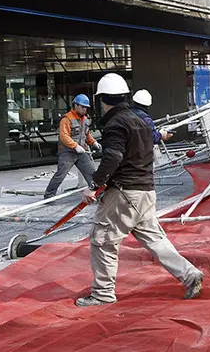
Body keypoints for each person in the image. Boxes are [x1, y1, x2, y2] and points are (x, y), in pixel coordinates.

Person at [76, 73, 203, 307]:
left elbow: (113, 157)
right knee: (156, 240)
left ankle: (102, 294)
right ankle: (189, 274)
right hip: (146, 192)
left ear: (102, 99)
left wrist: (94, 184)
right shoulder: (140, 122)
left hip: (125, 193)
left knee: (102, 241)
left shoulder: (115, 124)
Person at [44, 94, 102, 199]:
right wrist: (75, 146)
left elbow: (86, 134)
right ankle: (49, 195)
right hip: (68, 152)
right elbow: (63, 136)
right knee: (60, 175)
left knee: (91, 174)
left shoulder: (85, 119)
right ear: (75, 105)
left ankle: (98, 194)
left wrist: (93, 142)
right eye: (83, 107)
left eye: (86, 107)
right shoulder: (66, 119)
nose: (85, 109)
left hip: (81, 152)